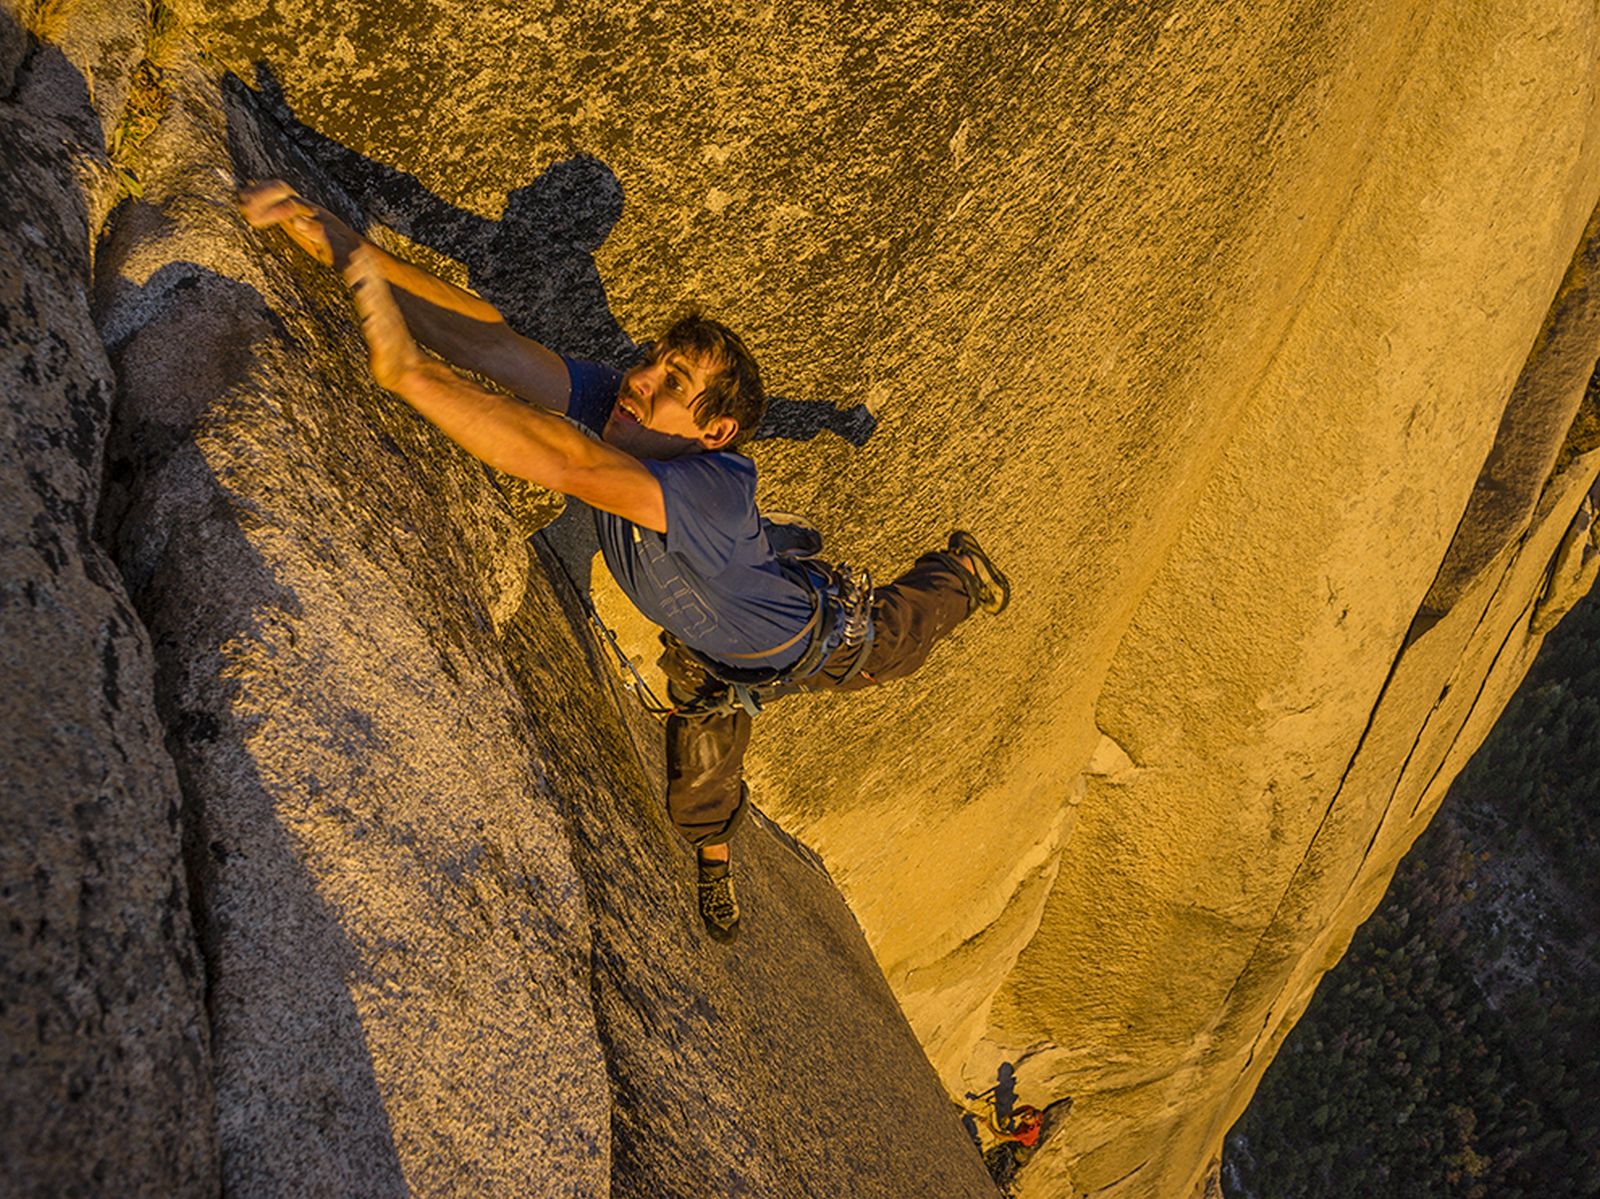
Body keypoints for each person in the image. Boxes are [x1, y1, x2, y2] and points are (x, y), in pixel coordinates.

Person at [239, 179, 1010, 942]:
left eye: (672, 382)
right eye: (652, 361)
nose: (639, 378)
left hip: (827, 641)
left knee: (904, 632)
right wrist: (341, 242)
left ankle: (964, 572)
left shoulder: (705, 484)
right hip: (717, 649)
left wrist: (412, 374)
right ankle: (715, 855)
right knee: (698, 782)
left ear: (715, 432)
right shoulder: (624, 409)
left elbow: (570, 464)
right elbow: (493, 343)